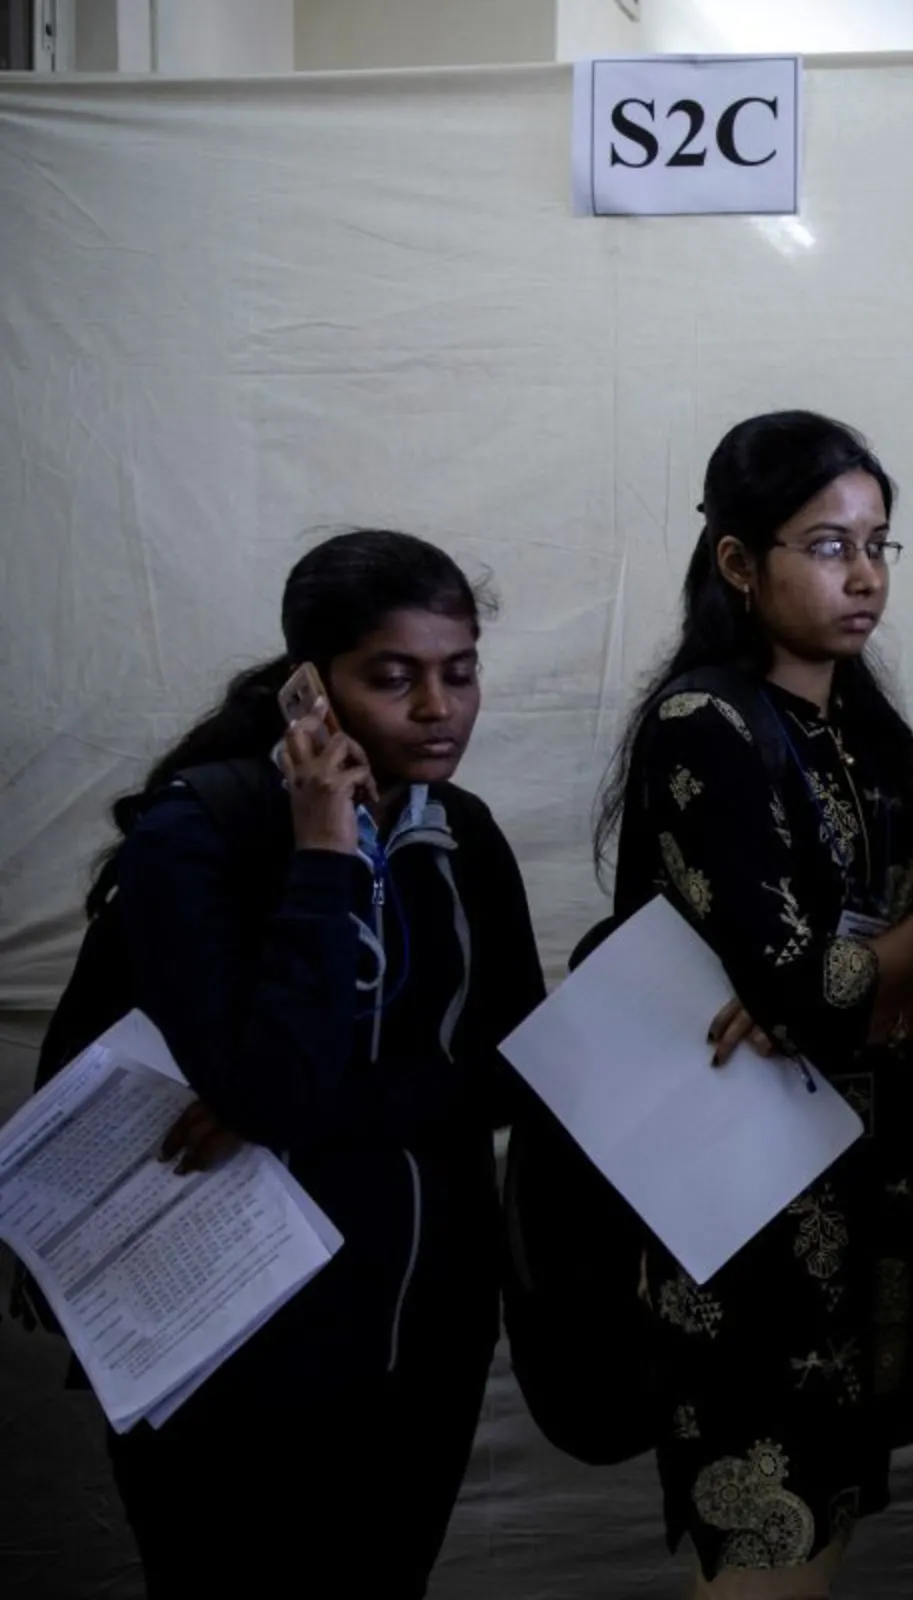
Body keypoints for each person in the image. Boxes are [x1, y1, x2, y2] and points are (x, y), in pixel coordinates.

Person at [88, 529, 545, 1599]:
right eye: (394, 677)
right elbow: (268, 1085)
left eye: (460, 671)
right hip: (229, 1344)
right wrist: (325, 848)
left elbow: (509, 1071)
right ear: (312, 685)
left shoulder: (464, 836)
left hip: (422, 1340)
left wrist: (319, 1108)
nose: (438, 707)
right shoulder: (200, 830)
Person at [598, 410, 913, 1599]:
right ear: (738, 561)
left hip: (863, 1199)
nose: (865, 574)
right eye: (829, 545)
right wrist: (901, 953)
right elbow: (804, 985)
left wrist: (883, 977)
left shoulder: (871, 734)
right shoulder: (706, 724)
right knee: (765, 1555)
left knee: (822, 1543)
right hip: (744, 1221)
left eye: (879, 543)